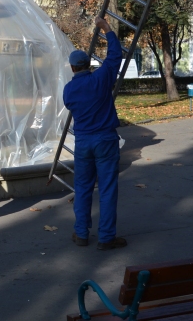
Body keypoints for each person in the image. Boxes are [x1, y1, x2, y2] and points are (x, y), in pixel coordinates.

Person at [63, 16, 126, 250]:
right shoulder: (101, 78)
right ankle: (106, 237)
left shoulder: (69, 90)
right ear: (88, 64)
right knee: (108, 188)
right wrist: (107, 29)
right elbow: (114, 57)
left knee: (82, 187)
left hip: (83, 142)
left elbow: (71, 106)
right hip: (105, 139)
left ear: (72, 67)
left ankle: (81, 233)